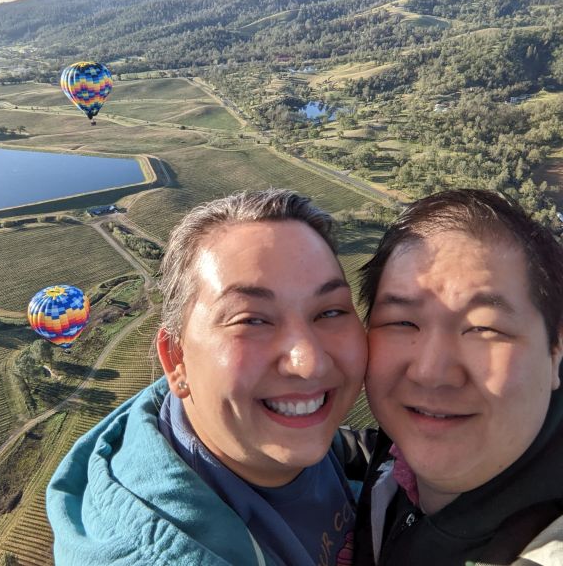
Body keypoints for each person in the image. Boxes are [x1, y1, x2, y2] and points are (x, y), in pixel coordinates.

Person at [47, 189, 370, 565]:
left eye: (330, 312)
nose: (309, 362)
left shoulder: (257, 429)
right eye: (252, 319)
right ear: (177, 358)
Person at [353, 189, 563, 566]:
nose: (431, 372)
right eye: (402, 322)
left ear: (556, 347)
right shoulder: (394, 461)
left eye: (484, 328)